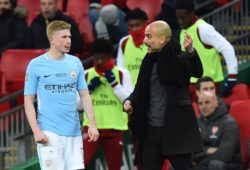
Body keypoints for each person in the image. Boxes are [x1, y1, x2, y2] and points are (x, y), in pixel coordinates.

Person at [123, 20, 203, 170]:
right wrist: (129, 101)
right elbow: (140, 89)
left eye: (149, 36)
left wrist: (191, 51)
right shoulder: (148, 61)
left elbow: (197, 72)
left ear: (161, 39)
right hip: (151, 131)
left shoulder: (180, 58)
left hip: (175, 130)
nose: (144, 40)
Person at [24, 20, 99, 170]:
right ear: (52, 39)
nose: (69, 41)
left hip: (74, 132)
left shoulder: (75, 62)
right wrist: (36, 131)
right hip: (49, 132)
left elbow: (85, 95)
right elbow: (28, 100)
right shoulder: (35, 65)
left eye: (69, 37)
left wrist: (92, 124)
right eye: (64, 37)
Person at [78, 38, 133, 170]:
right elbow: (79, 107)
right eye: (96, 58)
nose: (99, 61)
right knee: (80, 164)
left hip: (114, 129)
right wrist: (88, 91)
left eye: (103, 58)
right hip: (91, 128)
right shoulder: (86, 75)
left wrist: (115, 85)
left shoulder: (121, 74)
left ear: (110, 56)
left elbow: (130, 102)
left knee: (114, 167)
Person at [175, 0, 238, 97]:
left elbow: (227, 48)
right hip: (191, 85)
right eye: (178, 18)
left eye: (183, 18)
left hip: (209, 85)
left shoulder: (203, 28)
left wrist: (232, 78)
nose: (180, 21)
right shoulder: (183, 31)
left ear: (192, 13)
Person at [194, 91, 242, 170]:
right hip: (202, 164)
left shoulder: (229, 123)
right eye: (200, 103)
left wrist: (200, 163)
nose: (203, 107)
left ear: (216, 103)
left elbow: (224, 155)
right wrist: (207, 151)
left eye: (207, 102)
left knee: (215, 165)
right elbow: (190, 153)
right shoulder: (197, 122)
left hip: (228, 165)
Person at [116, 8, 148, 87]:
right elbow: (120, 68)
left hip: (151, 89)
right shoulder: (124, 42)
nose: (134, 29)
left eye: (137, 25)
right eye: (131, 26)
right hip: (131, 91)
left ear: (144, 23)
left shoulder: (153, 40)